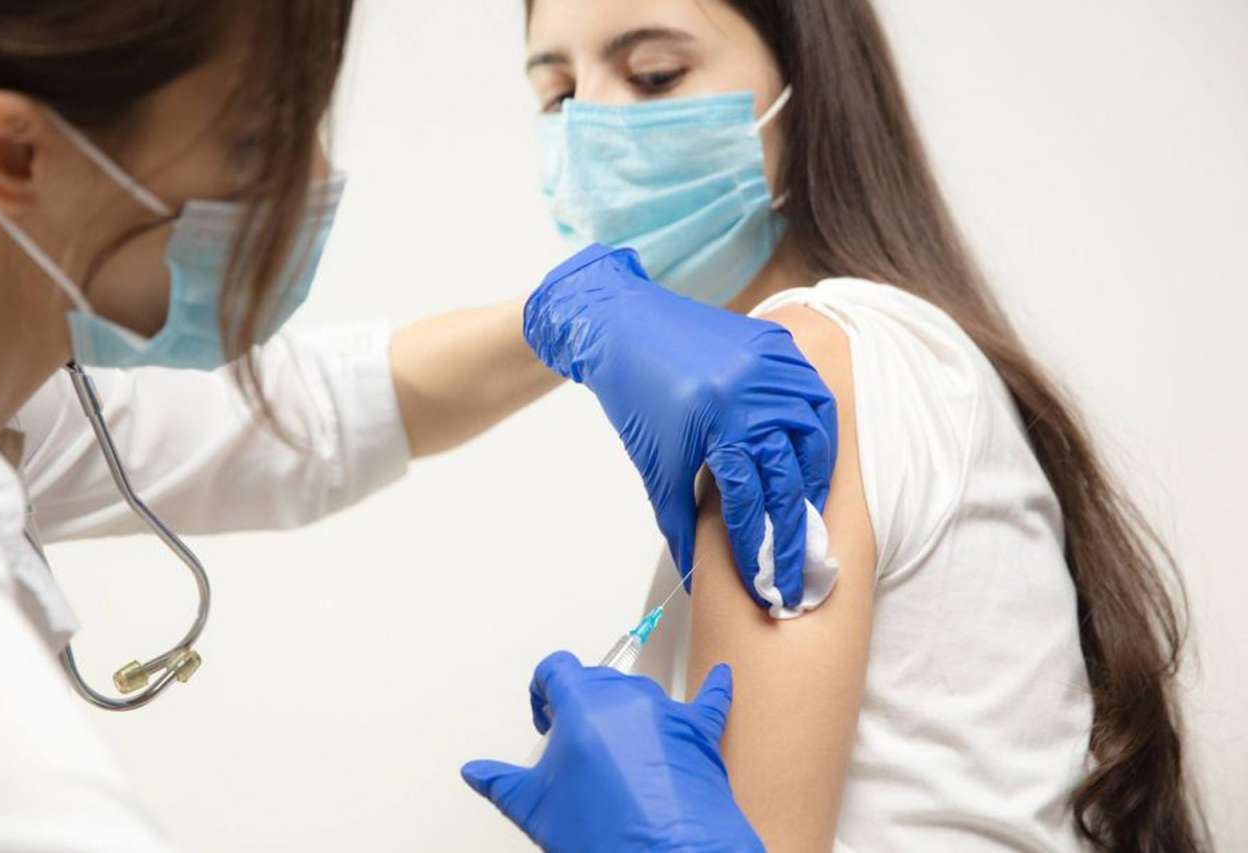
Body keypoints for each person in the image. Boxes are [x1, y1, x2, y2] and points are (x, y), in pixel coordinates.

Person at [0, 3, 838, 851]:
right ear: (12, 158)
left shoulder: (27, 405)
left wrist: (569, 316)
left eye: (651, 76)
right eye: (253, 142)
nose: (312, 184)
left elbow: (308, 412)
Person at [474, 1, 1210, 851]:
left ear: (808, 84)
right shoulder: (912, 353)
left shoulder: (802, 374)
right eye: (559, 95)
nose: (595, 125)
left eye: (654, 75)